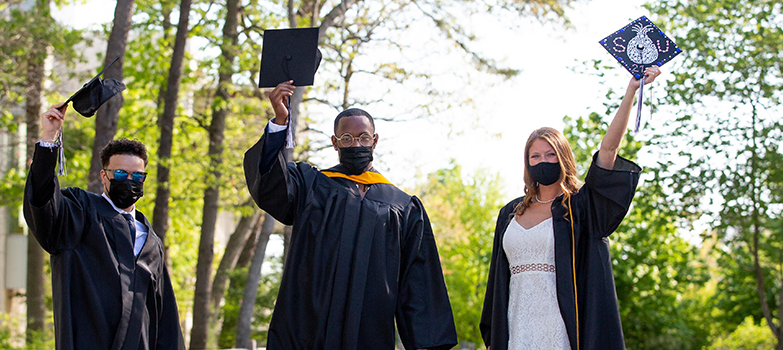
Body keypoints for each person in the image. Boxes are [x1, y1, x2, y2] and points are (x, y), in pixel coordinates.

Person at [243, 80, 458, 350]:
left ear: (375, 140)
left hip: (370, 332)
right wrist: (280, 121)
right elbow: (270, 186)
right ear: (335, 142)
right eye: (346, 138)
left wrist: (427, 343)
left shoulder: (403, 207)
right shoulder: (311, 185)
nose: (355, 143)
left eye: (363, 137)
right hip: (309, 331)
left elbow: (419, 281)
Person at [480, 67, 662, 350]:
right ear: (527, 163)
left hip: (562, 329)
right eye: (536, 156)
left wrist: (631, 91)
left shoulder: (578, 208)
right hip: (515, 328)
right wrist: (493, 338)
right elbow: (497, 280)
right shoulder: (509, 214)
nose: (543, 161)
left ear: (563, 158)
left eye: (551, 154)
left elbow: (609, 150)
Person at [23, 102, 184, 350]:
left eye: (137, 176)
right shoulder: (80, 213)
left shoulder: (150, 241)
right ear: (103, 176)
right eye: (120, 174)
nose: (129, 181)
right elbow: (44, 200)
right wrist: (48, 138)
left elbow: (165, 318)